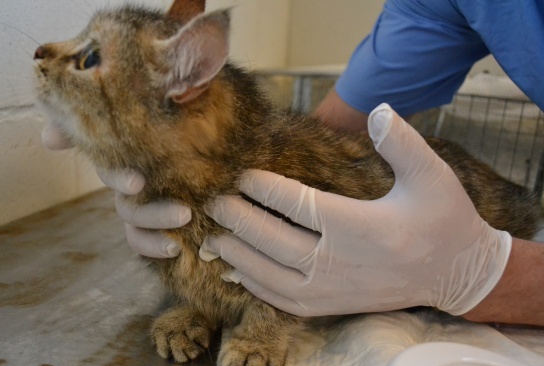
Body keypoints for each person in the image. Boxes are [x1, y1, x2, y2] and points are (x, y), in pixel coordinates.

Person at [41, 0, 544, 325]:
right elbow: (339, 123)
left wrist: (485, 274)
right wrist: (149, 153)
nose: (46, 53)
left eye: (88, 57)